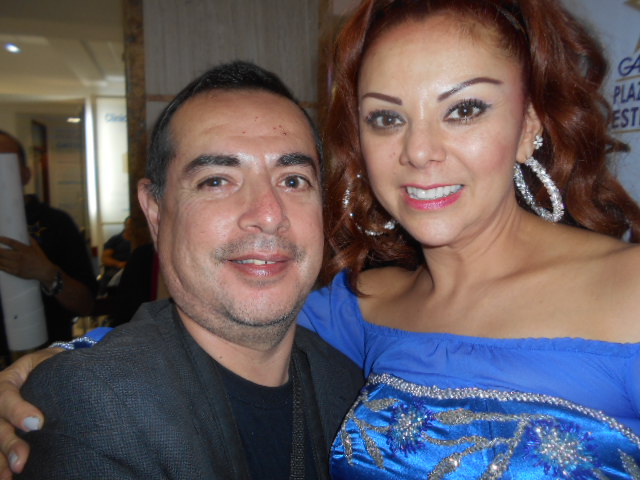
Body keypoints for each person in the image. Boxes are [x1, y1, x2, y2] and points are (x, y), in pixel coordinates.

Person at [1, 0, 640, 477]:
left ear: (529, 124)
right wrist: (49, 367)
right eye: (386, 118)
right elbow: (215, 317)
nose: (419, 151)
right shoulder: (360, 307)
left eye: (464, 109)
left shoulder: (629, 290)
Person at [4, 61, 363, 479]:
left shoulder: (350, 386)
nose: (269, 215)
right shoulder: (91, 405)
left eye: (294, 180)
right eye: (217, 181)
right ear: (155, 213)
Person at [0, 131, 96, 356]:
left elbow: (86, 304)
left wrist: (46, 273)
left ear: (25, 173)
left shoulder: (55, 223)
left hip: (44, 358)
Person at [97, 216, 133, 295]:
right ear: (125, 224)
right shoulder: (115, 240)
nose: (131, 227)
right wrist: (119, 264)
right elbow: (105, 258)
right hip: (116, 270)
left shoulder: (143, 241)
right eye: (129, 225)